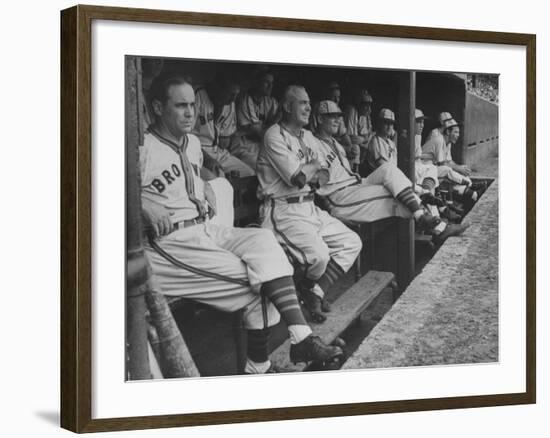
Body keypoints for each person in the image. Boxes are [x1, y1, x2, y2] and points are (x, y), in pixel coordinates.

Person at [140, 75, 343, 374]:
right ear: (157, 107)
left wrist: (206, 182)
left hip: (204, 230)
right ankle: (262, 364)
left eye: (192, 105)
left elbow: (190, 173)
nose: (190, 113)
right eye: (180, 105)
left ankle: (296, 340)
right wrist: (139, 201)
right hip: (168, 243)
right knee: (260, 284)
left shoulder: (193, 143)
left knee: (262, 240)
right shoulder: (141, 146)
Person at [257, 85, 362, 323]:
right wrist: (311, 167)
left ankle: (313, 290)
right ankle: (304, 293)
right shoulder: (274, 135)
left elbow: (323, 177)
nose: (307, 108)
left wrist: (310, 170)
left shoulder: (308, 137)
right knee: (320, 256)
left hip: (309, 206)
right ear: (287, 107)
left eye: (308, 102)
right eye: (302, 103)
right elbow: (298, 179)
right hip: (282, 210)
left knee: (351, 242)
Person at [311, 100, 468, 245]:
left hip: (356, 184)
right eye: (331, 117)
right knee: (399, 196)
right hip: (338, 196)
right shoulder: (311, 142)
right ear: (319, 119)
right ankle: (435, 223)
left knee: (390, 170)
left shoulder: (336, 144)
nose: (338, 120)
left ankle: (424, 199)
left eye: (339, 116)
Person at [193, 75, 255, 177]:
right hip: (197, 152)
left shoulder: (229, 104)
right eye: (230, 94)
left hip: (218, 152)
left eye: (236, 94)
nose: (233, 99)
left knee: (249, 173)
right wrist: (207, 159)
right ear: (217, 88)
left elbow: (224, 142)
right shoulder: (197, 95)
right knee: (217, 178)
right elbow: (183, 138)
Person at [234, 67, 280, 169]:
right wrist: (277, 118)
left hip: (258, 145)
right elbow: (260, 134)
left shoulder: (269, 101)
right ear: (256, 82)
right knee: (264, 167)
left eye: (272, 83)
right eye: (266, 82)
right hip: (243, 145)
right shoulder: (245, 99)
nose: (270, 86)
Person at [344, 89, 374, 165]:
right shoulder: (352, 110)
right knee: (356, 147)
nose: (368, 109)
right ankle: (355, 171)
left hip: (361, 143)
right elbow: (352, 138)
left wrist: (364, 139)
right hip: (344, 143)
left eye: (369, 105)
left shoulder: (365, 115)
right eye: (365, 105)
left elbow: (367, 135)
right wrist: (364, 139)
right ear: (359, 104)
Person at [364, 108, 398, 172]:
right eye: (386, 123)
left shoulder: (391, 143)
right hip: (379, 178)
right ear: (380, 124)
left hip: (391, 175)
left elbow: (395, 165)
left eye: (391, 124)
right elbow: (382, 167)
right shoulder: (375, 141)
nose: (389, 127)